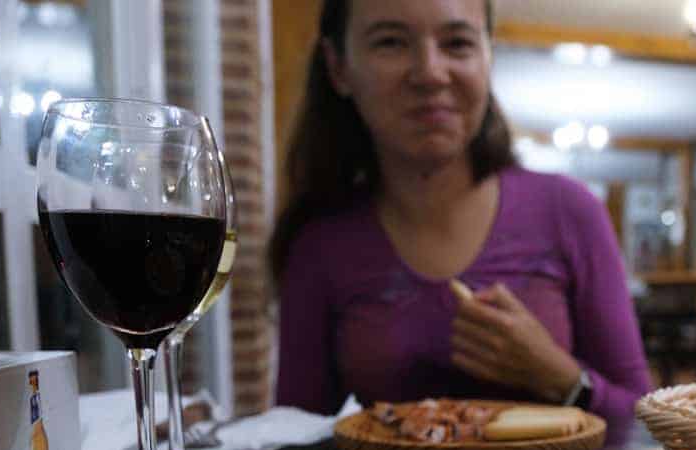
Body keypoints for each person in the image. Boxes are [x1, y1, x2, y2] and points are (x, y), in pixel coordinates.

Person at [271, 0, 652, 422]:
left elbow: (645, 420)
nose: (431, 73)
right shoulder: (320, 245)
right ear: (338, 67)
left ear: (488, 58)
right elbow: (294, 439)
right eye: (391, 42)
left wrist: (560, 378)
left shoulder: (571, 211)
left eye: (457, 43)